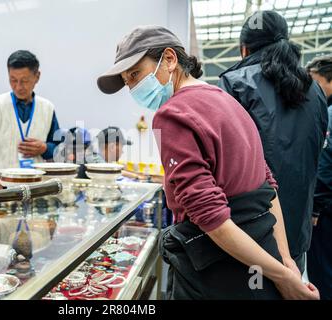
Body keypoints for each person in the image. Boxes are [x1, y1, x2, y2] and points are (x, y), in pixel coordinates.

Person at [97, 25, 319, 300]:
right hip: (261, 254)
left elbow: (210, 215)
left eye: (134, 74)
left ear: (169, 59)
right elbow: (268, 185)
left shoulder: (172, 114)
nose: (131, 87)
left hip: (217, 269)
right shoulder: (228, 101)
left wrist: (283, 275)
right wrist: (285, 263)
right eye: (126, 80)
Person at [218, 11, 328, 274]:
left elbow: (222, 162)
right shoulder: (315, 91)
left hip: (247, 234)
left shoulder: (235, 83)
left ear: (244, 48)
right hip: (296, 233)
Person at [0, 50, 60, 190]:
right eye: (13, 80)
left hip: (34, 187)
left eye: (24, 81)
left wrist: (45, 148)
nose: (18, 87)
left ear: (37, 77)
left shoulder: (47, 108)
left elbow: (59, 149)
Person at [306, 55, 332, 299]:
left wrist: (315, 209)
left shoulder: (329, 113)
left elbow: (326, 165)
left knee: (322, 272)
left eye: (315, 82)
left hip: (326, 212)